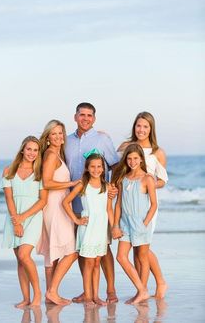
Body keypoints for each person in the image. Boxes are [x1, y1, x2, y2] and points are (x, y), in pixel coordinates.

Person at [65, 102, 119, 303]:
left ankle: (110, 290)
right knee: (84, 249)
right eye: (82, 114)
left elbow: (115, 165)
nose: (85, 118)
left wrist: (112, 186)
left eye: (89, 115)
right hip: (76, 205)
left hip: (99, 202)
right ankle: (88, 290)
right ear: (75, 117)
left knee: (103, 248)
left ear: (94, 119)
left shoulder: (102, 138)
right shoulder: (66, 141)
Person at [117, 111, 168, 298]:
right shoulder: (125, 147)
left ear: (151, 129)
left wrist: (147, 185)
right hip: (127, 203)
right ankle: (144, 288)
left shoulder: (157, 152)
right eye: (139, 125)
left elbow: (163, 180)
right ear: (134, 126)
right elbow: (117, 172)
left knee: (142, 249)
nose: (141, 129)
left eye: (146, 126)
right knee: (138, 249)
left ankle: (155, 284)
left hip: (146, 205)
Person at [36, 120, 80, 305]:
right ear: (48, 137)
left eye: (61, 133)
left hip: (56, 206)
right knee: (71, 251)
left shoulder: (55, 154)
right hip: (55, 207)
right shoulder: (51, 154)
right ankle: (52, 291)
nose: (58, 137)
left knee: (51, 253)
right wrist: (72, 183)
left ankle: (50, 294)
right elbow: (46, 182)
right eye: (54, 134)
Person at [1, 136, 47, 308]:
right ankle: (25, 298)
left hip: (33, 216)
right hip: (14, 218)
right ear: (22, 149)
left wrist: (23, 217)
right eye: (29, 149)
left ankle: (37, 294)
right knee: (20, 261)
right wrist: (16, 221)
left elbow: (43, 201)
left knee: (24, 255)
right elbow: (9, 198)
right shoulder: (9, 171)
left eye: (35, 150)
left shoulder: (40, 172)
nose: (32, 153)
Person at [63, 152, 114, 306]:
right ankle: (88, 296)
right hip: (88, 228)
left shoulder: (107, 186)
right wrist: (76, 220)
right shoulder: (82, 185)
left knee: (97, 262)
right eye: (92, 166)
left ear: (103, 169)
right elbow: (65, 202)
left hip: (100, 229)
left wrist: (115, 227)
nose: (96, 169)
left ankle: (96, 296)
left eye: (99, 166)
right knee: (89, 263)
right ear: (87, 168)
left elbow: (109, 210)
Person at [111, 143, 157, 304]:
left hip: (140, 223)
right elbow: (118, 204)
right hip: (124, 222)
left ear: (141, 160)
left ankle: (141, 291)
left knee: (142, 258)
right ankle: (142, 290)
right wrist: (115, 225)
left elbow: (153, 205)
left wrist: (144, 224)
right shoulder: (123, 179)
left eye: (135, 158)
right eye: (129, 158)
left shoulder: (147, 179)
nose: (132, 162)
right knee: (121, 257)